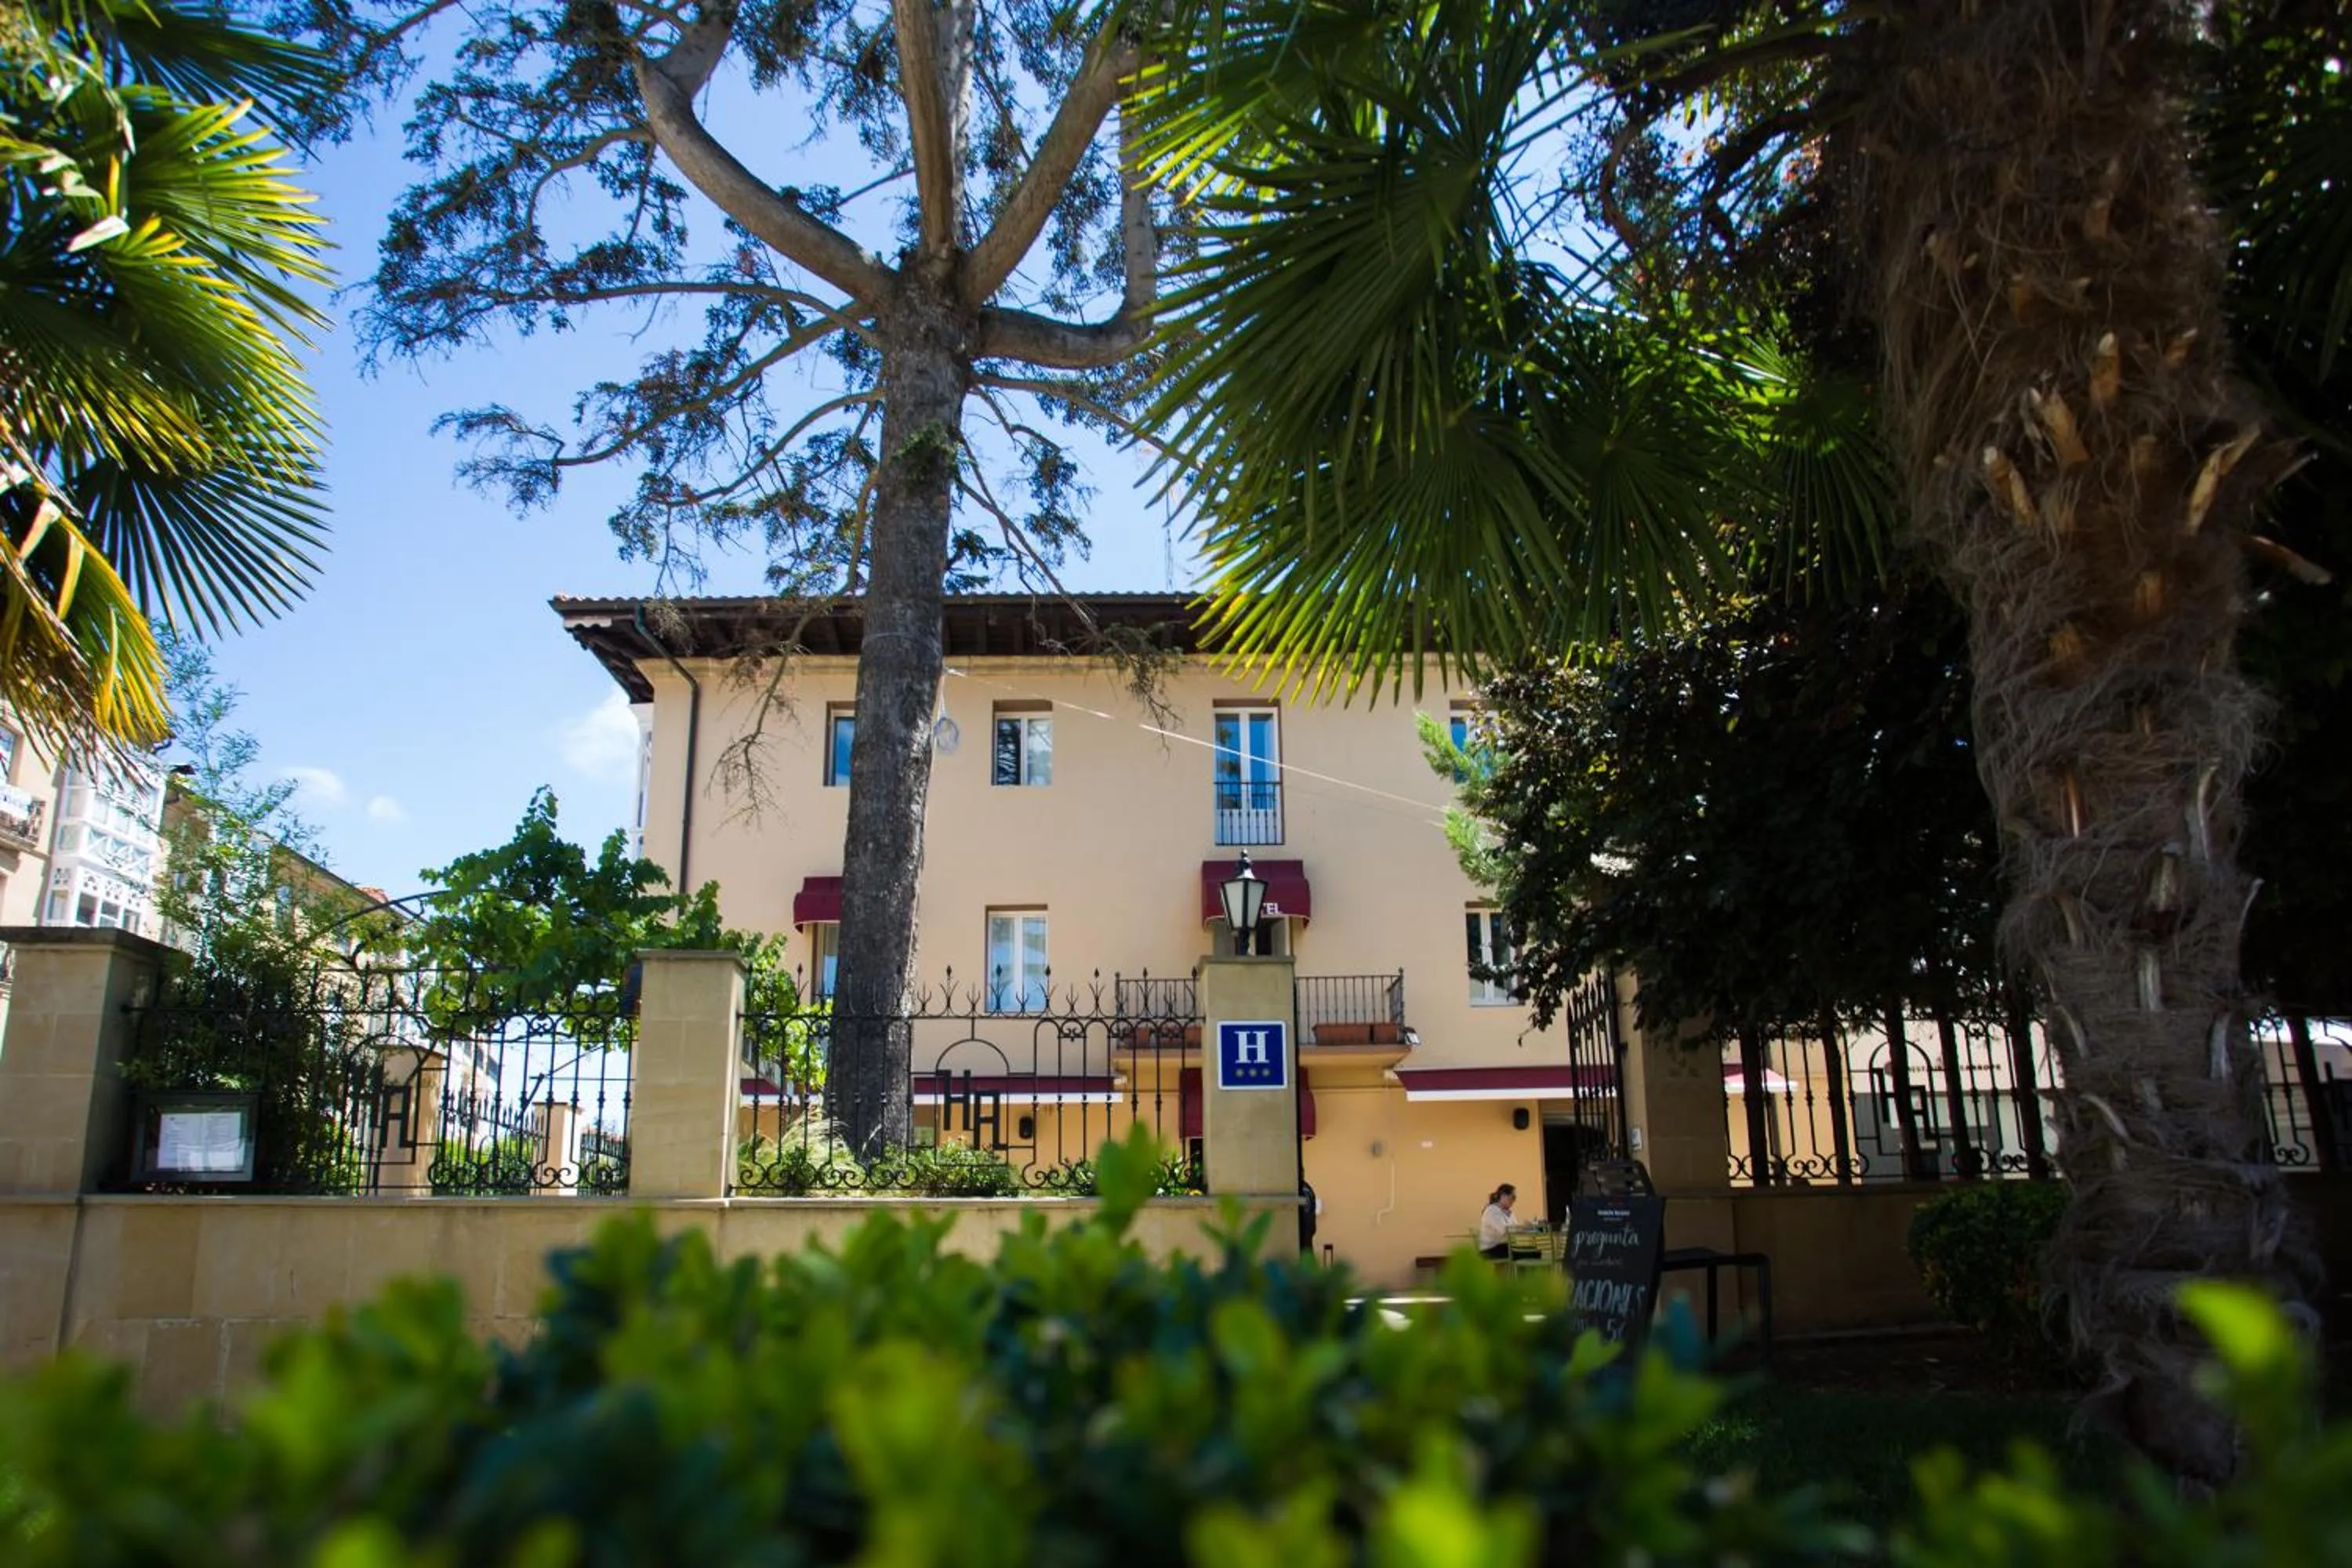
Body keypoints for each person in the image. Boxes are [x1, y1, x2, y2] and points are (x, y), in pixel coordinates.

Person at [1477, 1183, 1517, 1260]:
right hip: (1490, 1249)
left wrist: (1525, 1228)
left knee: (1533, 1250)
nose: (1514, 1201)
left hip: (1503, 1246)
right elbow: (1505, 1230)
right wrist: (1522, 1228)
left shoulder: (1509, 1212)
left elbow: (1515, 1228)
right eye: (1513, 1197)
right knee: (1532, 1253)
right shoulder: (1492, 1211)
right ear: (1503, 1196)